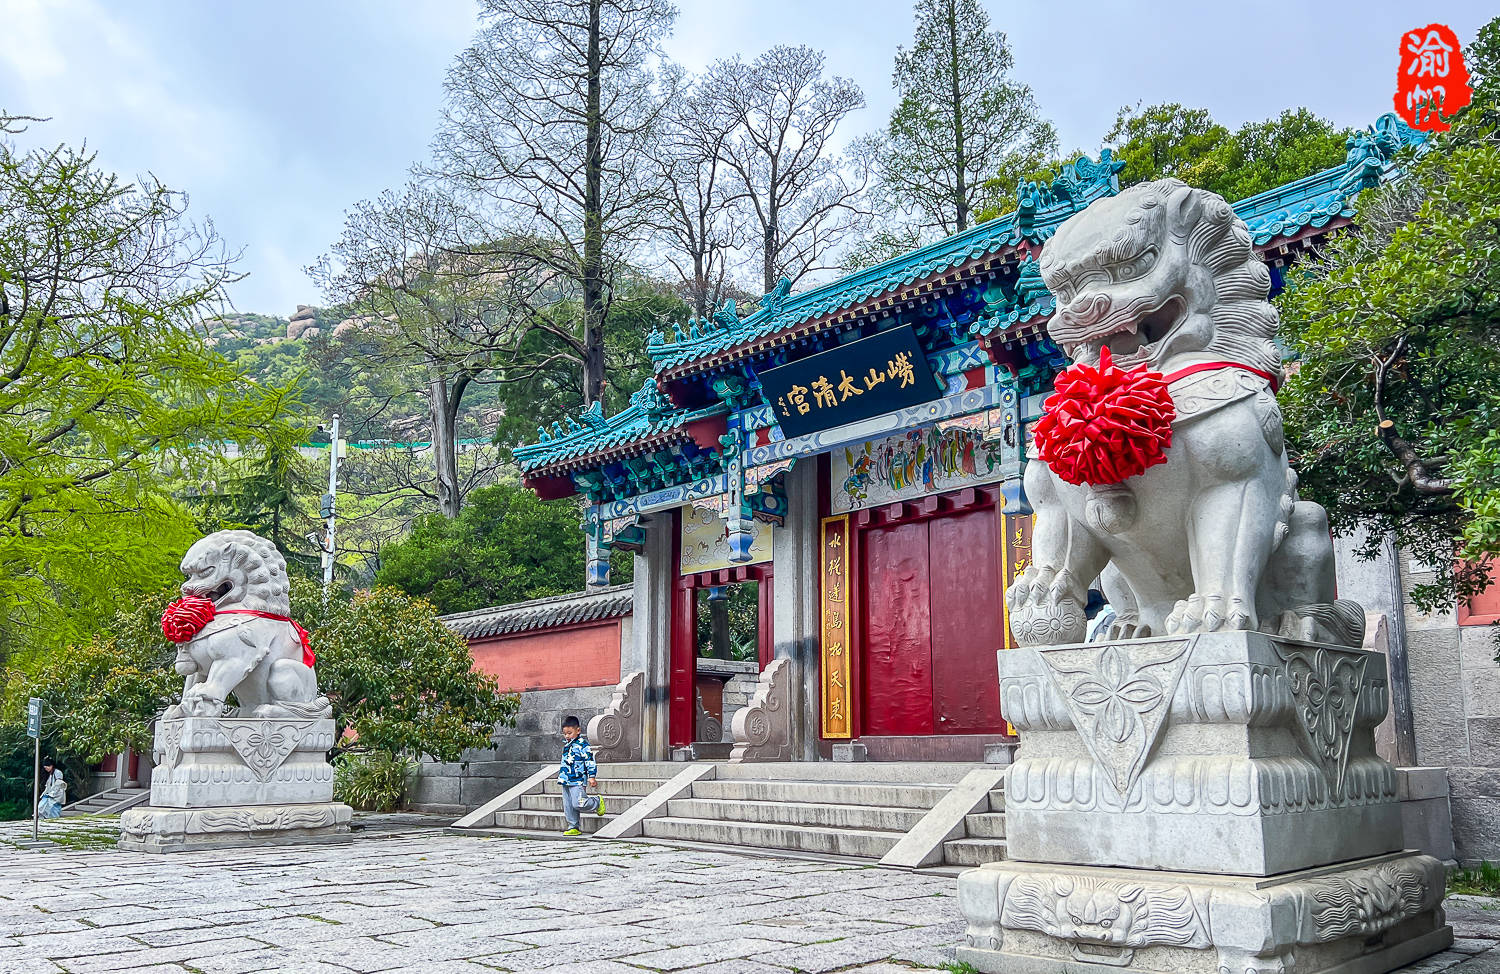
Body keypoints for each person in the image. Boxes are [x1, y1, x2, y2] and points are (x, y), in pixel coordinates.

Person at [558, 715, 604, 836]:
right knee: (568, 805)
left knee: (579, 803)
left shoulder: (583, 745)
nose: (567, 736)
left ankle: (596, 802)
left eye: (569, 733)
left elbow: (589, 760)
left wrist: (592, 776)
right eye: (565, 734)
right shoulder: (567, 745)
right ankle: (573, 826)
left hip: (578, 780)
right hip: (566, 780)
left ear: (578, 730)